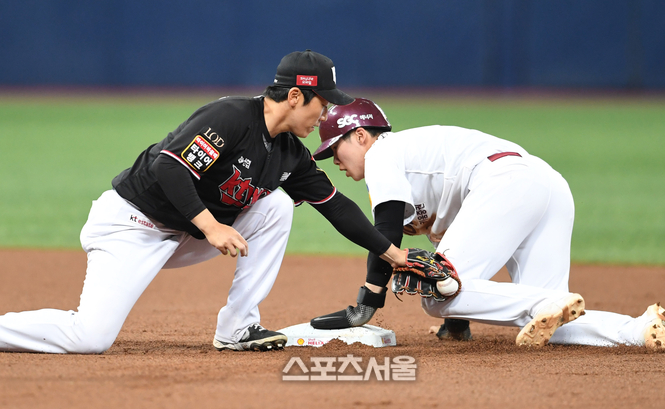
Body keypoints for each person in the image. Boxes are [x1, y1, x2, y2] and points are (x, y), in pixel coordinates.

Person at [0, 51, 409, 354]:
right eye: (324, 102)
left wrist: (393, 254)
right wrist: (211, 226)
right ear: (295, 96)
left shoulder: (290, 153)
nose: (325, 114)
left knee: (277, 207)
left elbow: (336, 207)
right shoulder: (231, 117)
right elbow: (168, 167)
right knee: (89, 338)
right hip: (134, 225)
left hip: (187, 232)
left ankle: (238, 328)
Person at [309, 98, 665, 350]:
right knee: (550, 319)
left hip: (505, 183)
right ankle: (638, 329)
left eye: (334, 148)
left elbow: (385, 232)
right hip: (545, 185)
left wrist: (368, 302)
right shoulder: (415, 167)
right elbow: (454, 246)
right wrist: (456, 323)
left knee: (436, 295)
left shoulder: (381, 153)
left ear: (361, 136)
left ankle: (548, 301)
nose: (334, 161)